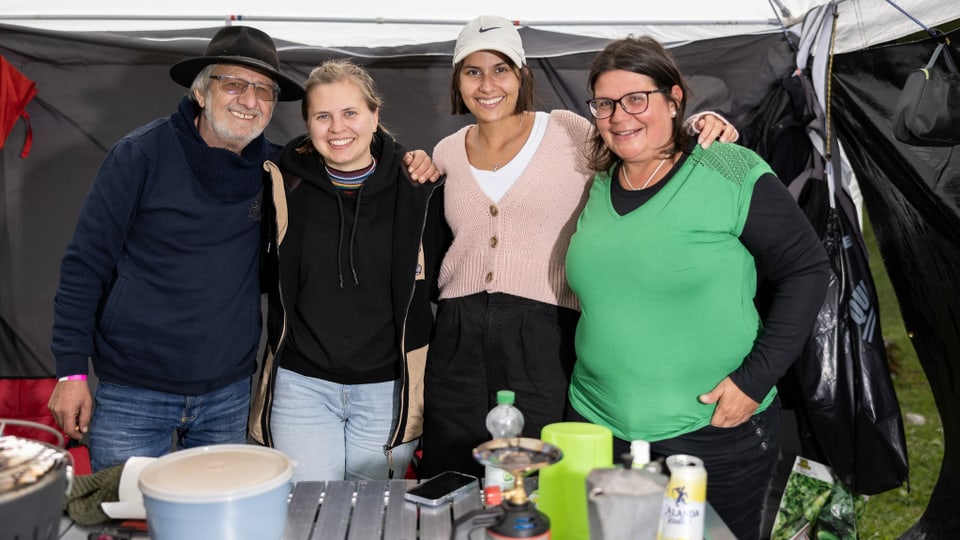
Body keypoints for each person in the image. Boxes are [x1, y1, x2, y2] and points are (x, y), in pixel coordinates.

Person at [46, 26, 436, 472]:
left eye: (264, 90)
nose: (249, 100)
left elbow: (356, 161)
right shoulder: (140, 155)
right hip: (135, 391)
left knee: (223, 524)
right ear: (199, 91)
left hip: (227, 394)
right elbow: (84, 266)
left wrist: (409, 159)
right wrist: (71, 372)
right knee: (128, 520)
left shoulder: (277, 171)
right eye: (233, 84)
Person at [419, 15, 739, 479]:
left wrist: (699, 124)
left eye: (501, 69)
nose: (487, 84)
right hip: (457, 333)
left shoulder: (568, 131)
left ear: (522, 75)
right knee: (454, 467)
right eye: (472, 71)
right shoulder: (446, 150)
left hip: (545, 329)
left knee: (541, 474)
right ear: (457, 81)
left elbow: (642, 141)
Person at [564, 36, 830, 540]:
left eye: (637, 99)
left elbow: (808, 270)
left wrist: (755, 381)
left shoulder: (728, 168)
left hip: (710, 431)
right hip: (597, 424)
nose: (620, 116)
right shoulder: (600, 183)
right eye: (604, 104)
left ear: (674, 99)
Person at [248, 59, 448, 482]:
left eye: (350, 113)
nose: (337, 128)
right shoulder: (283, 184)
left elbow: (441, 284)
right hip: (302, 386)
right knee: (307, 514)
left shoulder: (419, 188)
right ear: (307, 123)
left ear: (375, 116)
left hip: (387, 389)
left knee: (371, 517)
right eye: (323, 116)